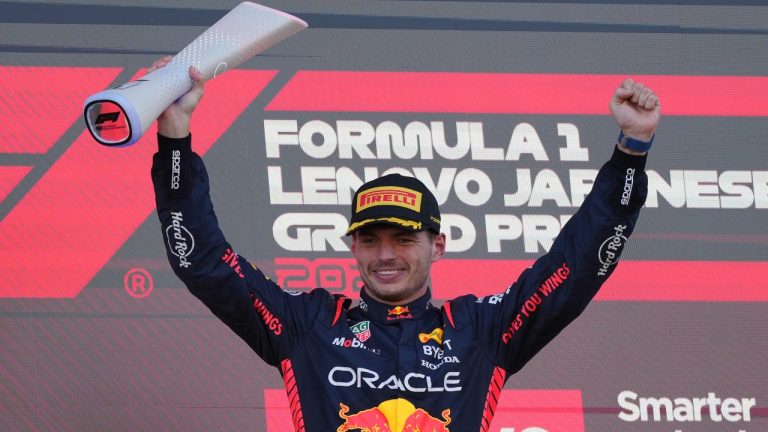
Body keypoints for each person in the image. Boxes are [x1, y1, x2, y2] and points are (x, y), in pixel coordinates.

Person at [150, 56, 659, 431]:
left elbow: (578, 265)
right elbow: (202, 261)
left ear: (438, 245)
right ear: (352, 247)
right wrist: (175, 136)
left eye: (404, 238)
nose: (386, 254)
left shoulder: (483, 330)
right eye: (369, 239)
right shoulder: (308, 326)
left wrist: (630, 153)